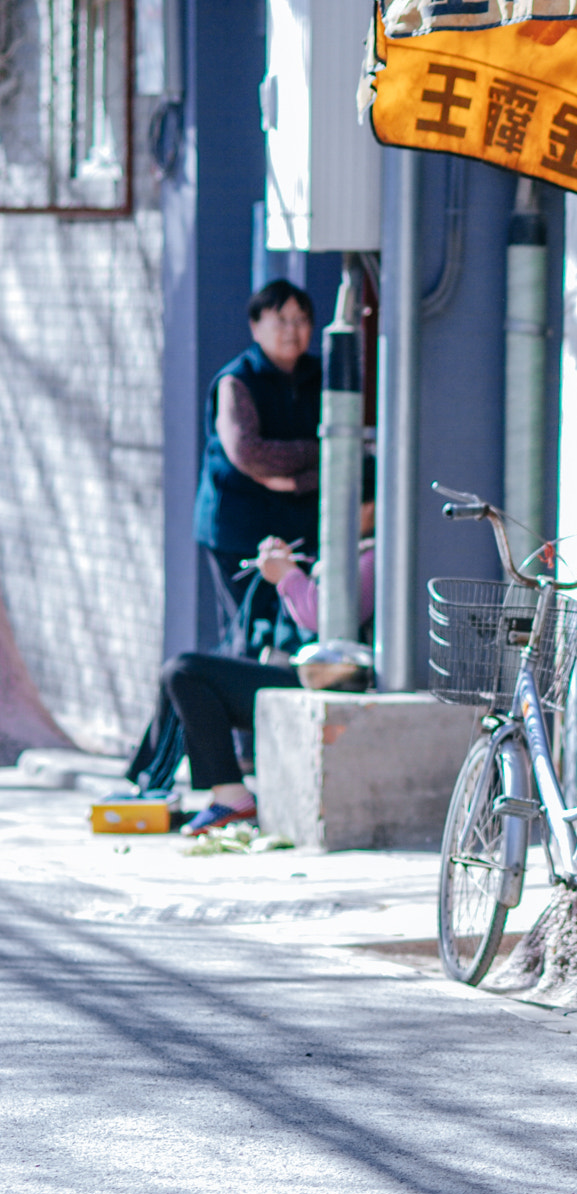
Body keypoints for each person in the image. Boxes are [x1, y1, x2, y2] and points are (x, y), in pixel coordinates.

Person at [130, 495, 376, 836]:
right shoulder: (346, 550)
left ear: (371, 507)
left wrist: (287, 576)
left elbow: (326, 619)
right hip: (299, 672)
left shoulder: (375, 556)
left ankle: (230, 795)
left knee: (186, 672)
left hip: (332, 681)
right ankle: (149, 784)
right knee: (182, 672)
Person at [194, 280, 321, 652]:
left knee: (292, 628)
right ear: (255, 326)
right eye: (280, 319)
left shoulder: (322, 375)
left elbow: (347, 451)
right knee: (247, 628)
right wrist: (317, 451)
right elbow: (250, 453)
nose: (291, 330)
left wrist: (296, 482)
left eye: (301, 320)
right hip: (238, 527)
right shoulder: (237, 380)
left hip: (296, 523)